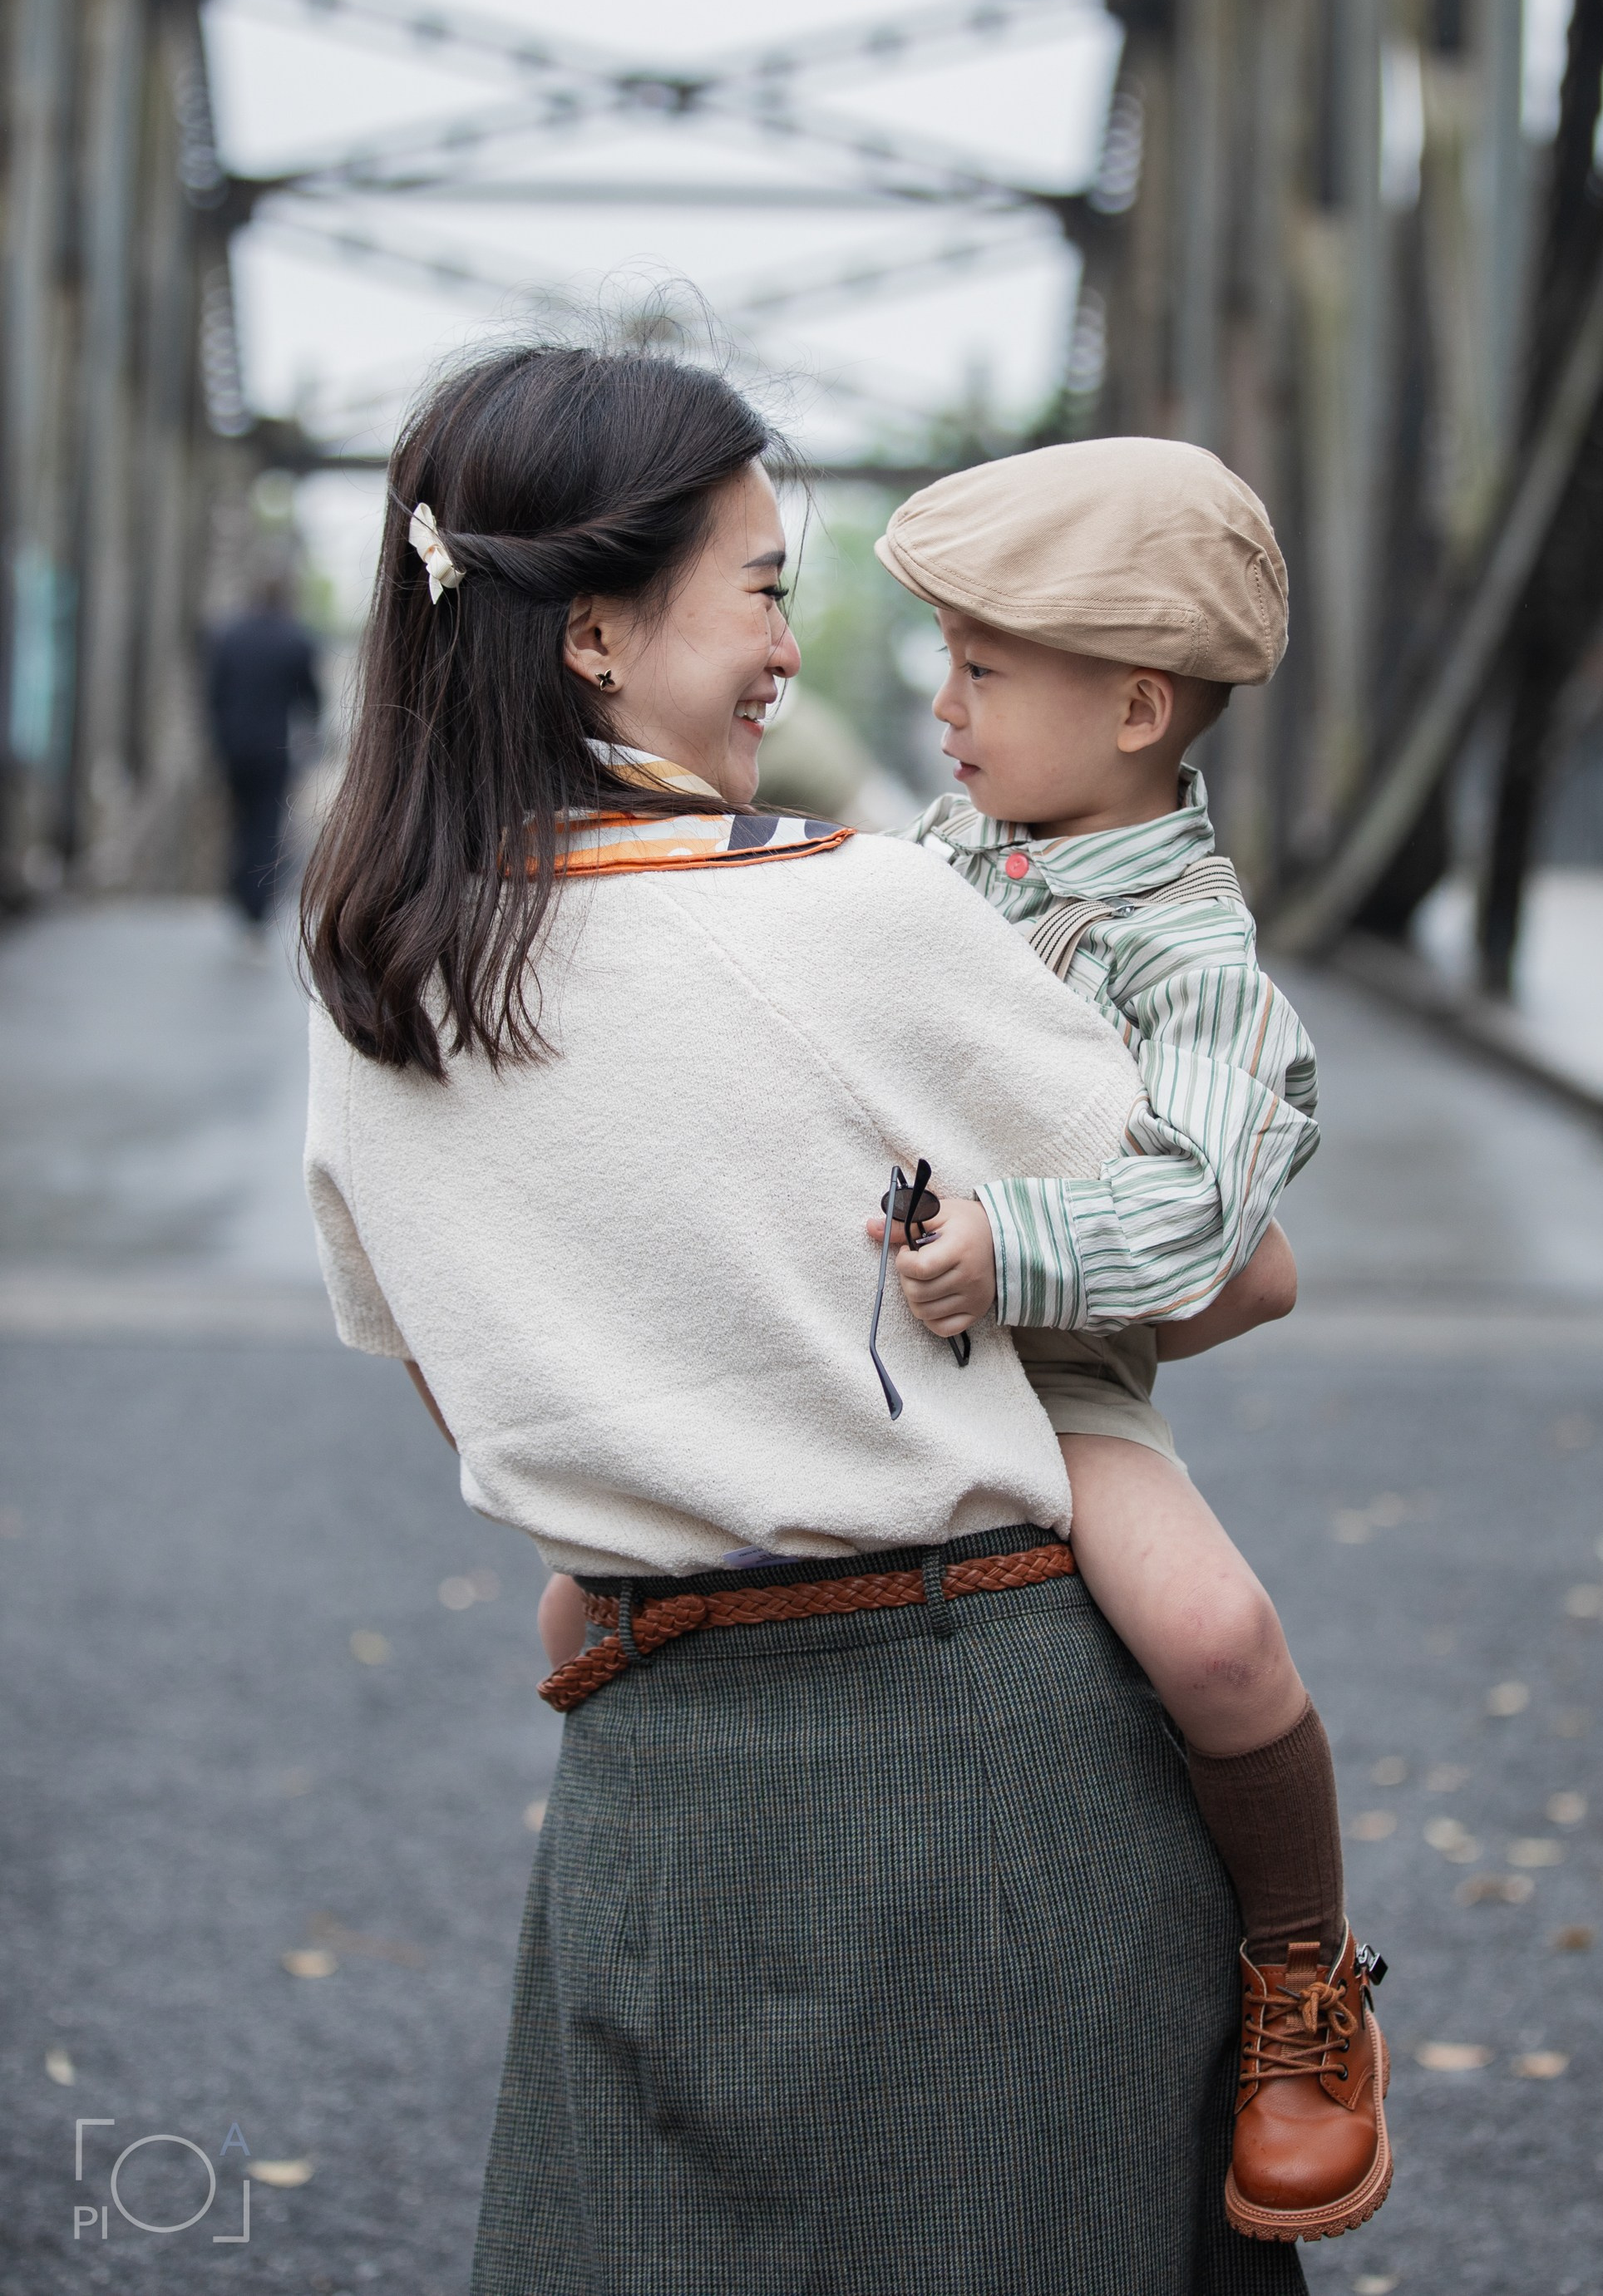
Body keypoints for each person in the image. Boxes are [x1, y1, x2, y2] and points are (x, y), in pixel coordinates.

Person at [299, 344, 1310, 2296]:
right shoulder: (861, 911)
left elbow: (481, 1399)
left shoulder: (375, 981)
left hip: (653, 1793)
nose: (791, 640)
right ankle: (1319, 1969)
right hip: (988, 1779)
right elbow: (1229, 1260)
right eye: (763, 583)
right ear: (597, 633)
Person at [864, 436, 1389, 2246]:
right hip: (869, 1323)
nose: (941, 707)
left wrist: (1010, 1245)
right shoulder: (947, 855)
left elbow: (1197, 1214)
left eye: (982, 670)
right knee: (580, 1600)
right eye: (944, 663)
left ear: (1135, 709)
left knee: (1214, 1633)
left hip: (1055, 1362)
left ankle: (1298, 1985)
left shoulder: (1191, 960)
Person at [204, 571, 320, 940]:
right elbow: (311, 700)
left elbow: (213, 694)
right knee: (265, 824)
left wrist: (218, 738)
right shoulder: (295, 639)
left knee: (239, 817)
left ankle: (240, 895)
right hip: (273, 746)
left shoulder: (229, 635)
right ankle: (255, 904)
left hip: (234, 745)